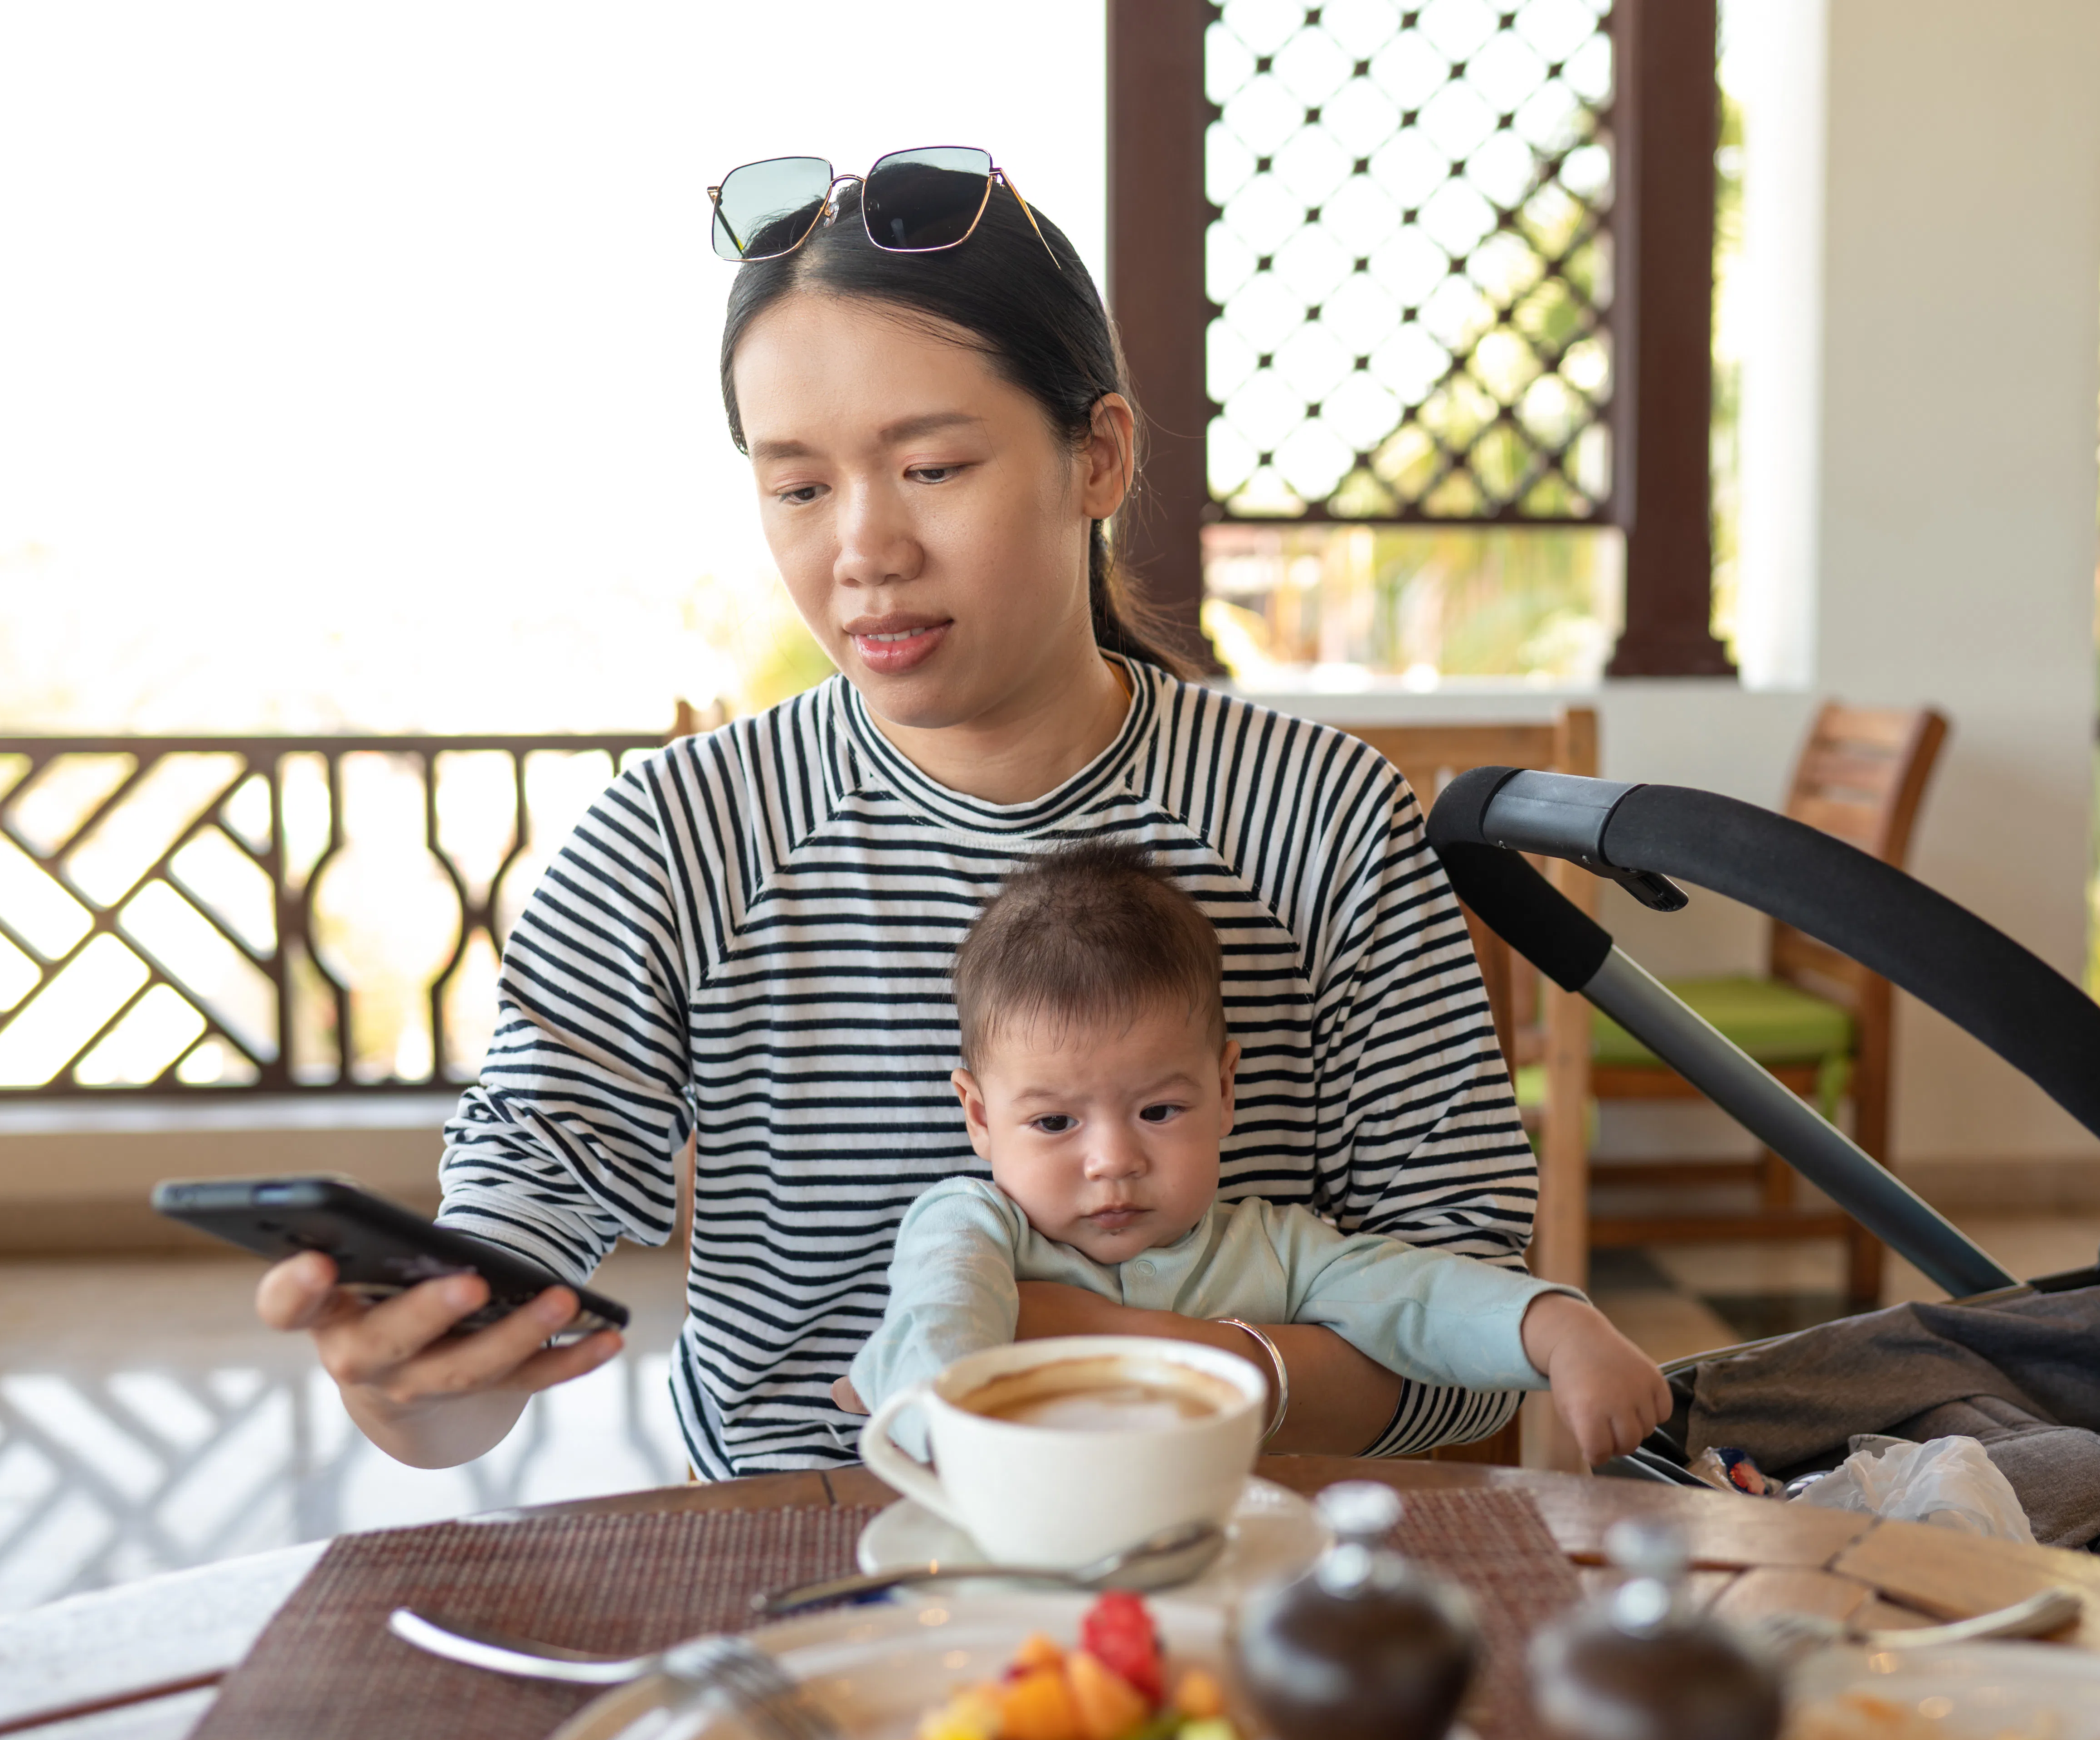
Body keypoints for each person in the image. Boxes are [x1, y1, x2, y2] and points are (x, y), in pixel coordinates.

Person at [256, 152, 1546, 1477]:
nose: (864, 550)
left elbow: (1474, 1336)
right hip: (806, 1574)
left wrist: (1121, 1367)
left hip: (1215, 1561)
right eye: (800, 487)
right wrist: (410, 1387)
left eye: (931, 467)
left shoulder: (1315, 819)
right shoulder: (669, 841)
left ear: (1097, 457)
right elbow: (504, 1272)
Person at [844, 840, 1672, 1465]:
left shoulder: (1277, 1248)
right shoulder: (971, 1225)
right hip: (1017, 1541)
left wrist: (1559, 1328)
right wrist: (931, 1418)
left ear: (1227, 1087)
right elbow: (941, 1313)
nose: (1114, 1159)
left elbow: (1420, 1297)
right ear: (979, 1117)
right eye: (1055, 1124)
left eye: (1160, 1109)